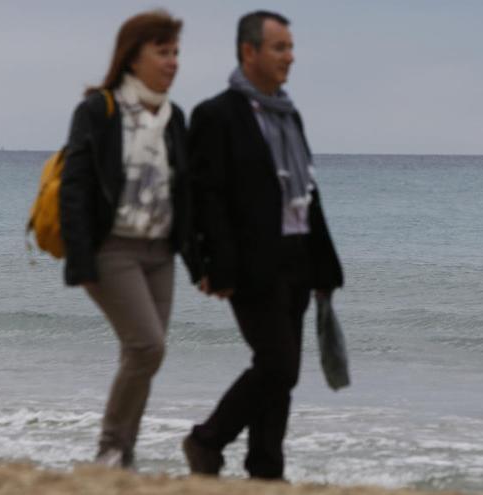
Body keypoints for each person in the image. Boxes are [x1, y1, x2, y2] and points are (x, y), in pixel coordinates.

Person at [181, 10, 343, 480]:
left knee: (280, 369)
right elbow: (202, 196)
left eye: (291, 47)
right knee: (278, 365)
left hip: (298, 255)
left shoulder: (288, 114)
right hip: (251, 261)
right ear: (248, 51)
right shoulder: (216, 115)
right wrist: (206, 264)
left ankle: (266, 468)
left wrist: (325, 266)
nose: (289, 57)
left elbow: (306, 195)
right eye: (279, 48)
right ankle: (206, 440)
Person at [59, 10, 197, 468]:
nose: (173, 62)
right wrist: (80, 259)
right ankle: (109, 448)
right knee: (147, 347)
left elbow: (187, 194)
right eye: (163, 52)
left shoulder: (175, 117)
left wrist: (202, 259)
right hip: (111, 248)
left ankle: (124, 454)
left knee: (143, 355)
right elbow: (76, 186)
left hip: (160, 252)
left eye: (176, 52)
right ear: (134, 57)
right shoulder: (100, 109)